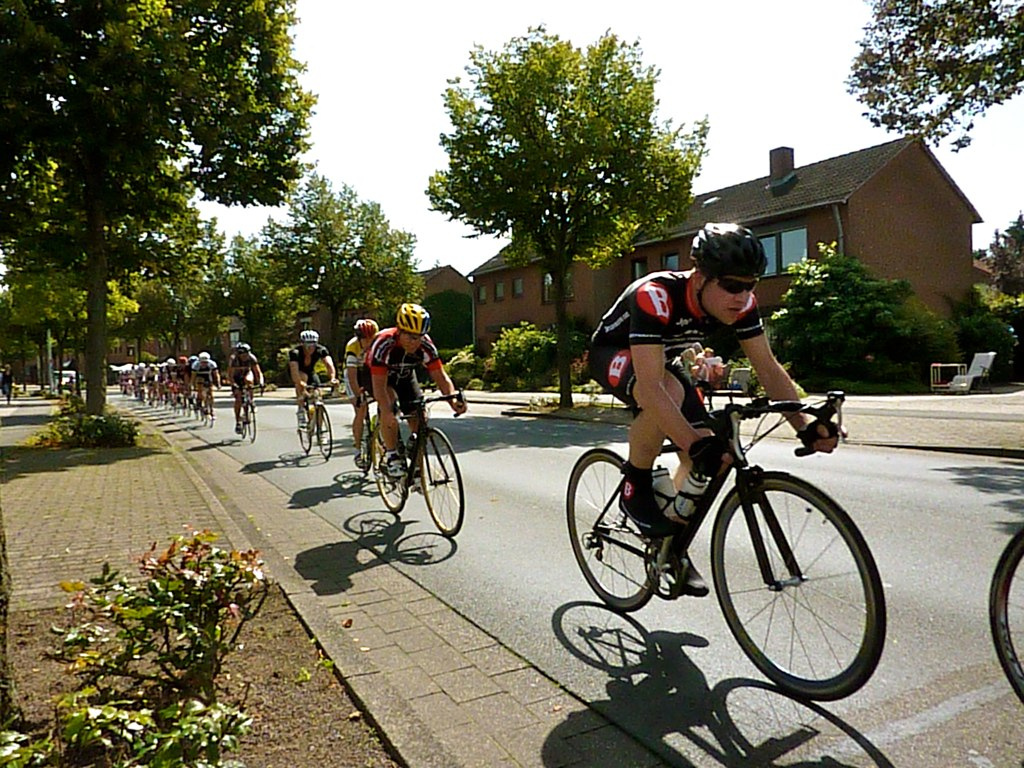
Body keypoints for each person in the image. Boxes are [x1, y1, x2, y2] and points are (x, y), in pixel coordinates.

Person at [589, 222, 840, 596]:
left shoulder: (743, 306)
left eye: (750, 285)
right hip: (614, 353)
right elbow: (653, 386)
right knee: (674, 403)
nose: (742, 296)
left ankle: (669, 547)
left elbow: (768, 368)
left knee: (713, 455)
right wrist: (690, 442)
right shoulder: (655, 295)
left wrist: (802, 424)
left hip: (666, 365)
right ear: (700, 277)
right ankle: (635, 484)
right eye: (732, 285)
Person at [368, 303, 466, 478]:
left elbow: (441, 376)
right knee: (389, 408)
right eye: (410, 337)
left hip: (405, 376)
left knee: (420, 417)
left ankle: (416, 465)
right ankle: (391, 456)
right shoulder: (384, 344)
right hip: (378, 377)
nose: (415, 342)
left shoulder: (425, 345)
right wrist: (387, 411)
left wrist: (452, 401)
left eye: (419, 337)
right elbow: (379, 387)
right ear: (399, 331)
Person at [344, 318, 379, 468]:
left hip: (368, 372)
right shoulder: (352, 347)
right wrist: (359, 396)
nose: (369, 343)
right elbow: (352, 376)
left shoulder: (378, 343)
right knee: (361, 408)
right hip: (354, 374)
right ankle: (358, 450)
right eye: (366, 339)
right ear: (359, 338)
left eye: (372, 339)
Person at [288, 330, 338, 428]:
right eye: (308, 345)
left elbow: (329, 365)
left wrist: (332, 378)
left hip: (311, 372)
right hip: (299, 372)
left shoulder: (321, 350)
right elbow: (294, 371)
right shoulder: (295, 353)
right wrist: (300, 382)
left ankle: (321, 428)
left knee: (318, 397)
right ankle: (301, 409)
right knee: (303, 379)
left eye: (313, 344)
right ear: (302, 344)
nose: (311, 348)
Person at [227, 343, 265, 434]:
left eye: (246, 354)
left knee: (249, 381)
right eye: (242, 355)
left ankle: (251, 400)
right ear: (238, 354)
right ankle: (238, 421)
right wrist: (233, 385)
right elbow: (230, 375)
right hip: (236, 377)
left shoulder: (252, 358)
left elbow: (258, 372)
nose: (245, 356)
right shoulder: (233, 360)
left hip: (246, 374)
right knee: (238, 399)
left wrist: (261, 382)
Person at [190, 351, 221, 418]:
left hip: (208, 375)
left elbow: (216, 374)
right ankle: (200, 399)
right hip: (199, 376)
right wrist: (193, 385)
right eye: (202, 362)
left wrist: (218, 384)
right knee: (200, 389)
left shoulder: (212, 364)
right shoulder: (196, 365)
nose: (204, 363)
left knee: (211, 393)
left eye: (205, 362)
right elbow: (193, 376)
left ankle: (211, 409)